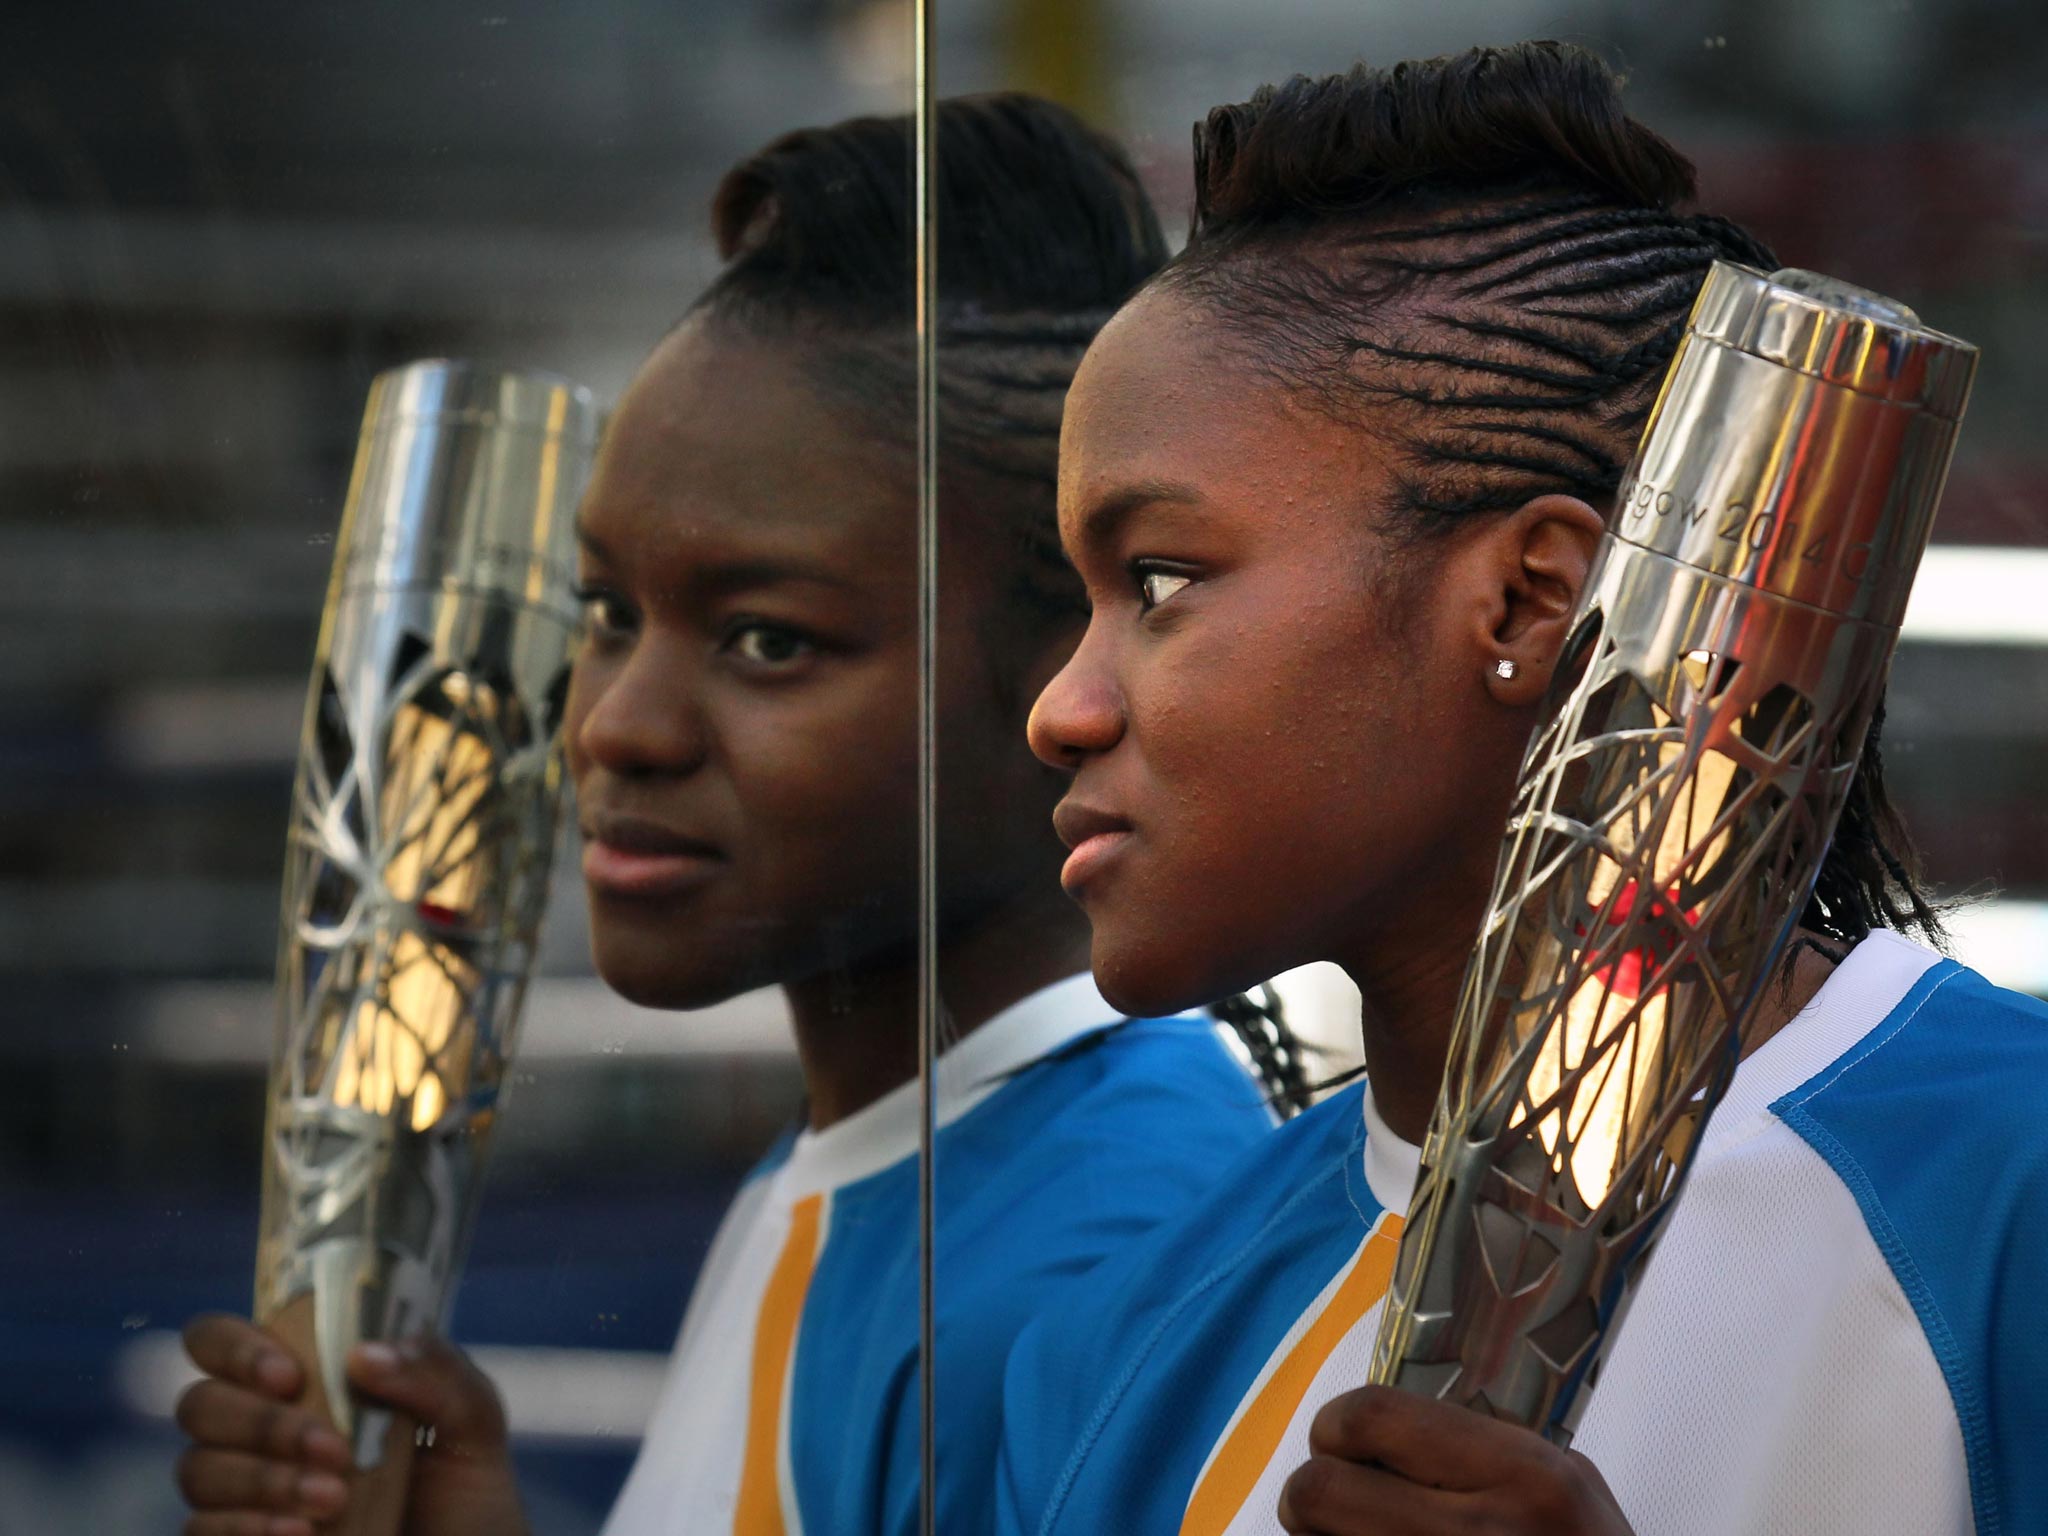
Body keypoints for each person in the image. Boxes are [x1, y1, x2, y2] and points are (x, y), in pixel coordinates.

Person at [172, 94, 1299, 1536]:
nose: (613, 723)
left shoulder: (1093, 1250)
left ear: (1068, 676)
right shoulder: (885, 1157)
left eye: (767, 640)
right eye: (606, 613)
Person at [1000, 43, 2048, 1536]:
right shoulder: (1131, 1335)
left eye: (1159, 580)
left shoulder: (2008, 1183)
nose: (1062, 708)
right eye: (1082, 600)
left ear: (1527, 602)